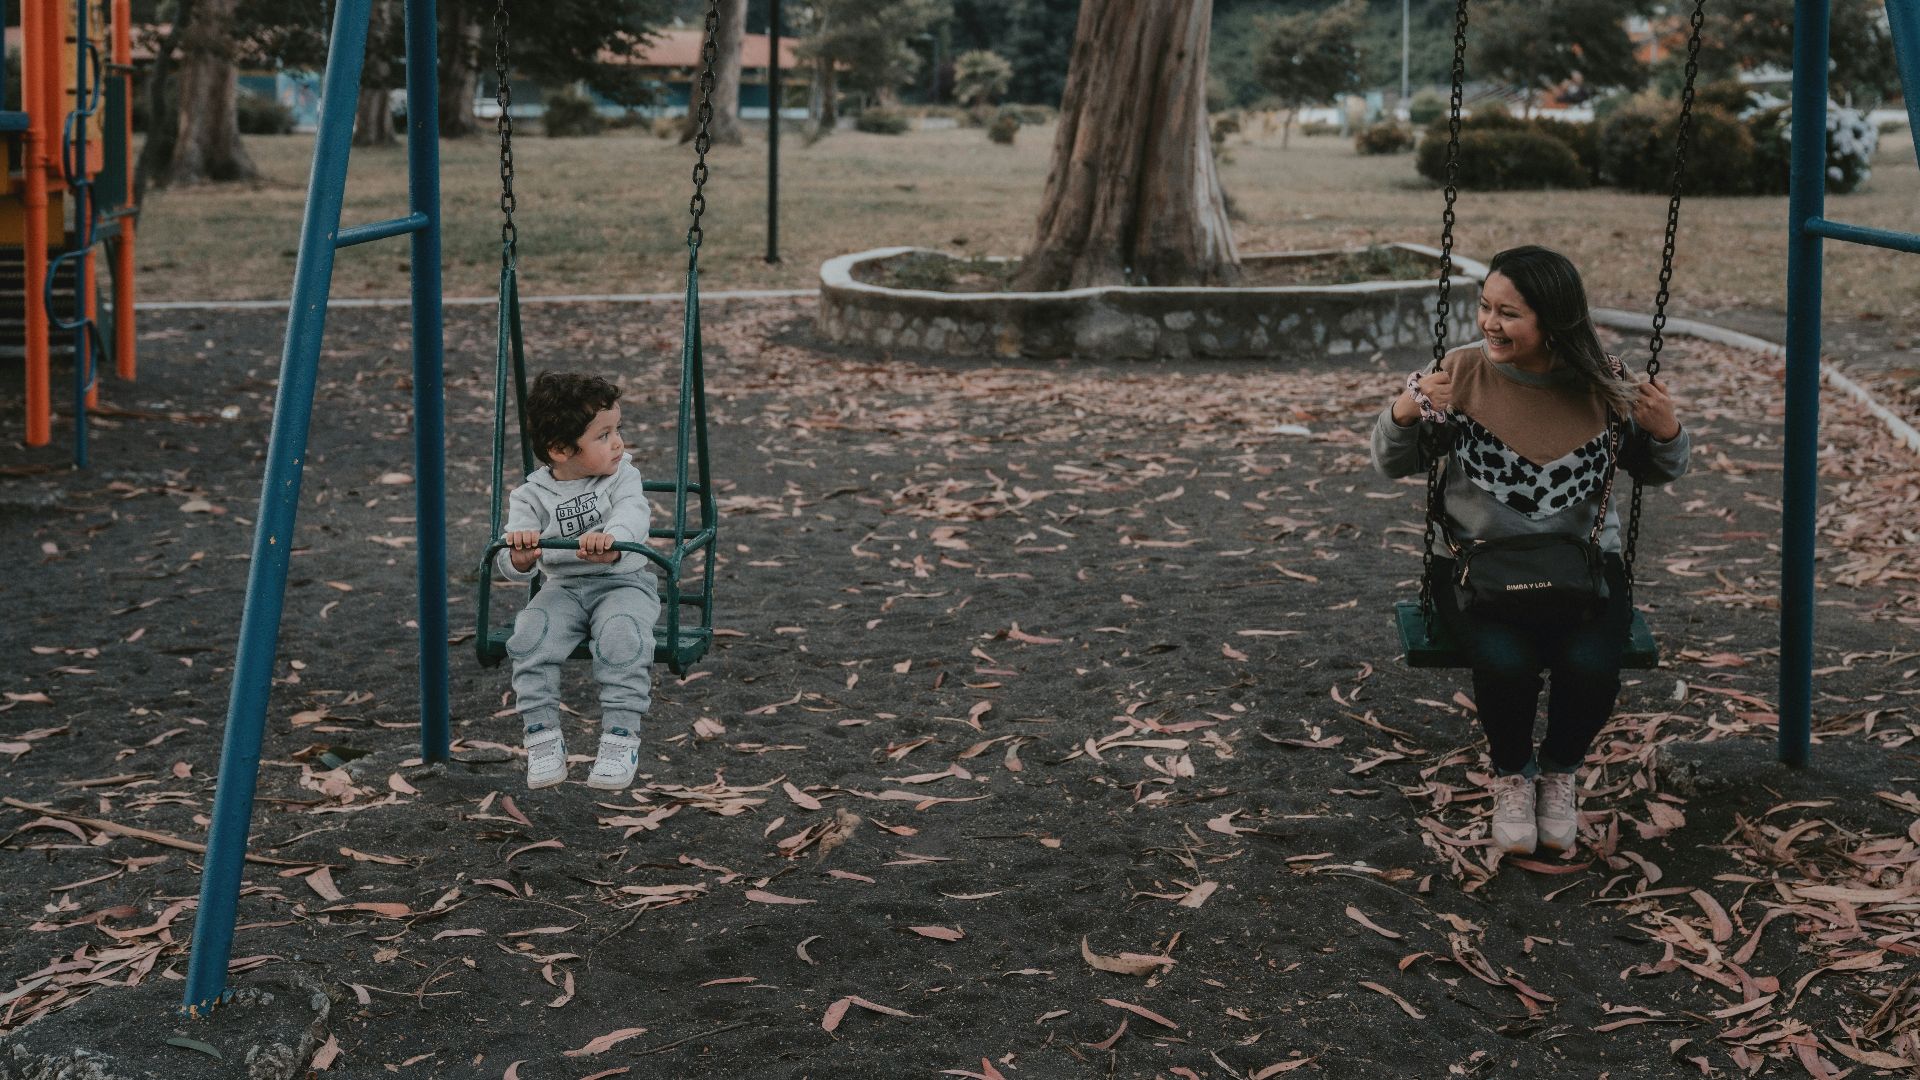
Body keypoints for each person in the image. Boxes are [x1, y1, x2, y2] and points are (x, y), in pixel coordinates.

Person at [1372, 246, 1690, 856]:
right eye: (1485, 307)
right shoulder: (1459, 374)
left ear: (1553, 322)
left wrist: (1667, 429)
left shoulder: (1605, 385)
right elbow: (1392, 462)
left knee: (1593, 667)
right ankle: (1513, 776)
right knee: (1507, 664)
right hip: (1474, 566)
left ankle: (1559, 773)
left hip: (1582, 563)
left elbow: (1659, 471)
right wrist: (1404, 411)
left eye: (1509, 313)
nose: (1489, 323)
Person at [497, 372, 661, 791]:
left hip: (624, 584)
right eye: (604, 435)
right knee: (529, 635)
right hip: (563, 589)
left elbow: (633, 514)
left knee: (622, 636)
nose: (618, 443)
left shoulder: (622, 476)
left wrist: (616, 541)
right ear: (560, 450)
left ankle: (620, 738)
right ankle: (542, 737)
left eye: (616, 430)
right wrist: (518, 555)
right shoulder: (529, 496)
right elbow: (510, 555)